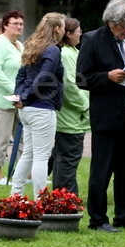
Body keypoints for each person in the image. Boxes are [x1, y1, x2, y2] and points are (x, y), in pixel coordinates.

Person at [76, 0, 125, 233]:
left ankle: (124, 217)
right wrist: (107, 77)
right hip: (108, 115)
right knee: (102, 169)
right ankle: (98, 220)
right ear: (110, 22)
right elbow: (81, 78)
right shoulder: (92, 40)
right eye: (123, 27)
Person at [11, 13, 65, 198]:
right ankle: (41, 201)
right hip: (42, 108)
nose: (64, 30)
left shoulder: (33, 44)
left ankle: (15, 197)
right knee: (42, 156)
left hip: (27, 109)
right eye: (63, 26)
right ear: (57, 28)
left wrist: (19, 97)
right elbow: (44, 77)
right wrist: (24, 97)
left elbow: (22, 74)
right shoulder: (53, 49)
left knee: (28, 154)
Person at [0, 10, 25, 184]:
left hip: (19, 100)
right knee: (1, 138)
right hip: (1, 99)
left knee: (22, 138)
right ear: (5, 25)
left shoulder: (19, 45)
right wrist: (14, 90)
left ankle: (23, 173)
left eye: (21, 24)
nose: (19, 27)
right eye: (15, 23)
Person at [52, 18, 90, 195]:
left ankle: (61, 197)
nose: (81, 34)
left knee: (64, 159)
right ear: (68, 33)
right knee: (68, 159)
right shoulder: (67, 54)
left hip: (71, 117)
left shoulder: (71, 51)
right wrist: (85, 105)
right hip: (71, 117)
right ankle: (66, 199)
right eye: (78, 31)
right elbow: (69, 85)